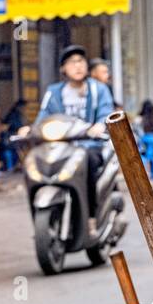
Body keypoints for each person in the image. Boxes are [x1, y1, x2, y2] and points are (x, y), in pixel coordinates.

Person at [35, 44, 114, 225]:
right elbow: (43, 115)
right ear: (63, 68)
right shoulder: (54, 92)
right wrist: (31, 129)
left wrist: (99, 126)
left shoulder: (98, 89)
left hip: (90, 145)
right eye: (72, 62)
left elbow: (105, 113)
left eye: (81, 61)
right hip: (61, 146)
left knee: (88, 163)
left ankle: (92, 216)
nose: (77, 66)